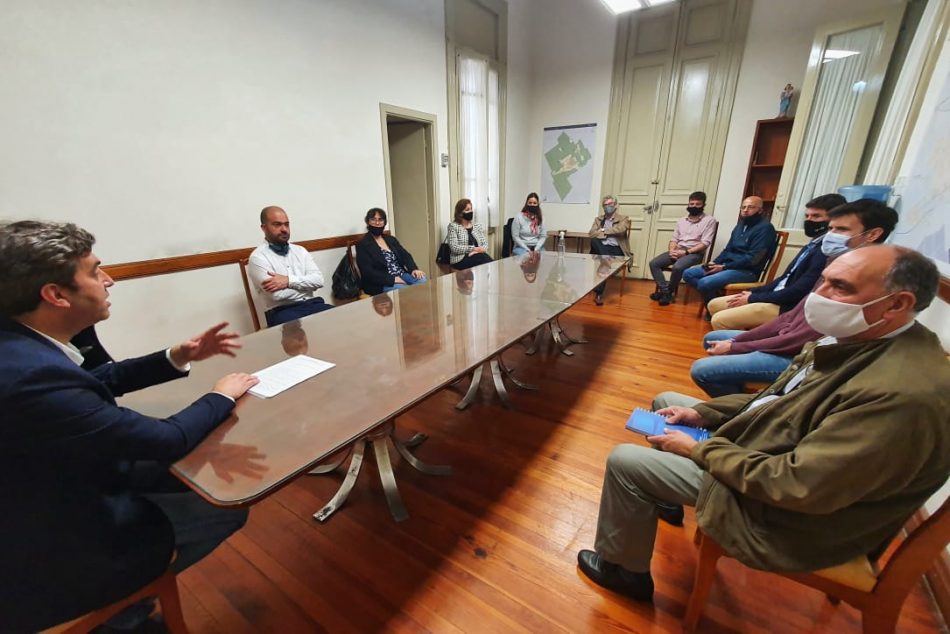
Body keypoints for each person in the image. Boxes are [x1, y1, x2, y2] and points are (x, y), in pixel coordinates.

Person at [577, 244, 950, 602]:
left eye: (840, 287)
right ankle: (662, 494)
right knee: (668, 403)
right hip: (770, 448)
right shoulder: (860, 337)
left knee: (625, 461)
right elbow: (778, 400)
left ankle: (623, 572)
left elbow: (797, 485)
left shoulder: (897, 395)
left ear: (898, 304)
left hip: (783, 512)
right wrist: (704, 414)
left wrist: (701, 449)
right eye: (823, 280)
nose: (819, 294)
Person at [0, 220, 260, 631]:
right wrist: (222, 394)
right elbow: (166, 439)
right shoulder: (30, 377)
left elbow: (94, 380)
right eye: (94, 271)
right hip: (49, 552)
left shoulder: (18, 345)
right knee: (222, 508)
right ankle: (125, 609)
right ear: (55, 295)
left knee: (200, 475)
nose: (109, 280)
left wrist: (175, 356)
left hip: (50, 487)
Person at [690, 198, 898, 398]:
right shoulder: (837, 262)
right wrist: (738, 339)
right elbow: (792, 316)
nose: (831, 235)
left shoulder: (866, 282)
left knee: (703, 369)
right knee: (713, 339)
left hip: (805, 359)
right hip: (790, 334)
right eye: (832, 228)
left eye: (841, 230)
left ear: (873, 234)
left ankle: (749, 411)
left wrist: (736, 346)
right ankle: (744, 401)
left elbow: (801, 337)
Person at [706, 193, 845, 330]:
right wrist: (753, 292)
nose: (809, 220)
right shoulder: (812, 244)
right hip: (776, 294)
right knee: (713, 305)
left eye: (816, 216)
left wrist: (754, 298)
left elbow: (798, 291)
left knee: (720, 319)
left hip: (786, 305)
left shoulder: (826, 252)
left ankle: (740, 343)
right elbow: (785, 278)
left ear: (834, 220)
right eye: (807, 216)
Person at [682, 196, 776, 309]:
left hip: (746, 271)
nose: (745, 210)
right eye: (743, 207)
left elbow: (754, 259)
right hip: (727, 266)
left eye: (750, 207)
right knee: (688, 273)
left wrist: (724, 267)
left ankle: (713, 308)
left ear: (760, 210)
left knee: (704, 283)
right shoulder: (740, 226)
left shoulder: (765, 228)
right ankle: (716, 300)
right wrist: (714, 263)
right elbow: (728, 250)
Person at [248, 205, 332, 327]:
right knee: (298, 335)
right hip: (282, 311)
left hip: (312, 304)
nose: (284, 229)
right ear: (264, 228)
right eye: (277, 224)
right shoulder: (258, 258)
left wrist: (288, 281)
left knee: (341, 320)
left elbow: (319, 280)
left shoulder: (300, 251)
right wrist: (307, 286)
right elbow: (276, 296)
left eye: (286, 224)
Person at [648, 191, 717, 305]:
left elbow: (705, 243)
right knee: (654, 263)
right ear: (688, 204)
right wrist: (672, 251)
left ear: (703, 205)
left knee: (678, 267)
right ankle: (666, 292)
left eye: (697, 204)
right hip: (678, 249)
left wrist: (685, 253)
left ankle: (668, 293)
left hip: (694, 253)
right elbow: (674, 239)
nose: (694, 206)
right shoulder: (681, 220)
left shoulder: (709, 220)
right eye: (692, 204)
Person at [356, 207, 427, 295]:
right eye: (373, 219)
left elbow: (406, 255)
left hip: (401, 274)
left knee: (422, 279)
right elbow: (367, 271)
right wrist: (393, 279)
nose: (377, 223)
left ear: (384, 222)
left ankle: (416, 305)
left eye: (380, 220)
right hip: (380, 282)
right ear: (368, 222)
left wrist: (414, 269)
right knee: (403, 290)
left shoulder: (390, 239)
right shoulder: (363, 244)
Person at [587, 194, 631, 306]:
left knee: (602, 261)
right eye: (605, 205)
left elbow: (621, 230)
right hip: (602, 249)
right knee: (594, 241)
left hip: (617, 249)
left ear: (615, 205)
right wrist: (608, 231)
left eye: (610, 204)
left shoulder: (623, 218)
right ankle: (606, 259)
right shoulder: (598, 219)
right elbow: (592, 233)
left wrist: (603, 231)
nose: (607, 207)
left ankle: (598, 294)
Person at [447, 198, 492, 270]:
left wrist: (476, 251)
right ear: (460, 213)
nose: (471, 211)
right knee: (483, 259)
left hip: (477, 256)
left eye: (471, 209)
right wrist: (473, 249)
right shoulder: (453, 226)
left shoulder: (477, 226)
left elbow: (485, 244)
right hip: (460, 260)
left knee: (483, 259)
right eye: (467, 210)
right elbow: (454, 248)